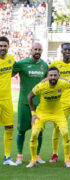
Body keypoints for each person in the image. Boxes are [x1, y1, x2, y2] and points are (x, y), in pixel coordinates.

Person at [26, 66, 70, 168]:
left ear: (58, 76)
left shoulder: (63, 84)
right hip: (42, 113)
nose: (53, 77)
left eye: (55, 75)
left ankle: (67, 160)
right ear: (47, 76)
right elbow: (29, 96)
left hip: (58, 112)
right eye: (51, 75)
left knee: (65, 133)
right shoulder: (41, 86)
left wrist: (63, 79)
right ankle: (33, 160)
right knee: (34, 134)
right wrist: (33, 113)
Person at [12, 42, 48, 165]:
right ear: (31, 49)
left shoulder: (44, 65)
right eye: (35, 49)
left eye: (39, 49)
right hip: (24, 103)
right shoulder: (22, 63)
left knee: (39, 131)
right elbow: (8, 75)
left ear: (42, 51)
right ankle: (19, 155)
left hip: (39, 104)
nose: (37, 51)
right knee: (21, 130)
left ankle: (37, 155)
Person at [49, 43, 70, 162]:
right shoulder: (55, 64)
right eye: (65, 49)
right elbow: (50, 80)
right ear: (61, 51)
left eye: (69, 49)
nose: (67, 51)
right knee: (58, 127)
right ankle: (55, 153)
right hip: (61, 101)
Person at [0, 36, 16, 165]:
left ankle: (7, 157)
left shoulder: (11, 59)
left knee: (9, 126)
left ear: (8, 47)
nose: (2, 48)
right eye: (0, 46)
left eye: (5, 46)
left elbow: (13, 72)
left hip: (7, 99)